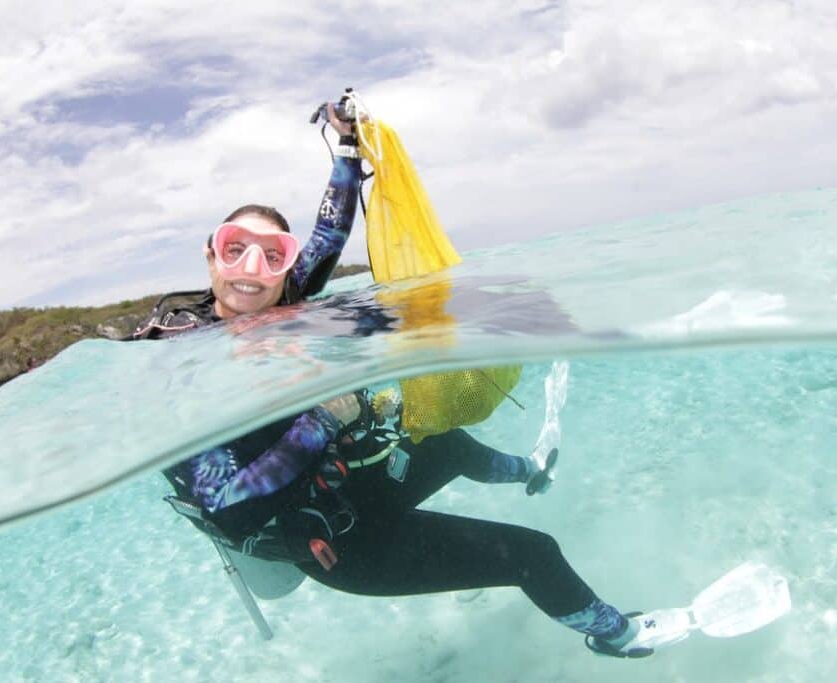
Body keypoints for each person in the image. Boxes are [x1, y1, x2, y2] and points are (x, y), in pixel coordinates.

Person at [132, 103, 652, 658]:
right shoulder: (180, 360)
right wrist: (324, 419)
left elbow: (327, 236)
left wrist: (348, 146)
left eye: (273, 255)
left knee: (444, 442)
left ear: (285, 267)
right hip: (342, 544)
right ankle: (616, 635)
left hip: (353, 488)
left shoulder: (279, 299)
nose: (253, 270)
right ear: (211, 254)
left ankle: (529, 472)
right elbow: (230, 506)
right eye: (236, 249)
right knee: (532, 553)